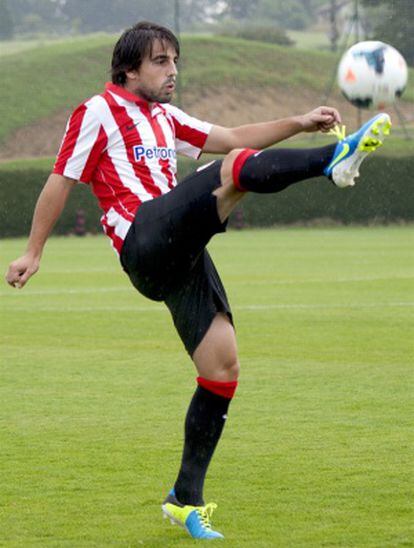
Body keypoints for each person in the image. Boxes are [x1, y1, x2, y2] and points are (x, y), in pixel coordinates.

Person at [5, 21, 391, 540]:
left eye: (176, 61)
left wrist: (300, 121)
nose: (173, 71)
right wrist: (33, 251)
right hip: (143, 239)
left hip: (180, 254)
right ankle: (333, 163)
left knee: (222, 367)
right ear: (128, 68)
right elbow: (59, 180)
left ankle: (184, 498)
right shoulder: (97, 112)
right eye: (161, 62)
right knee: (229, 171)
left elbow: (233, 137)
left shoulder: (166, 118)